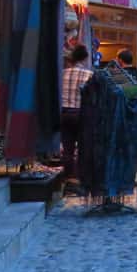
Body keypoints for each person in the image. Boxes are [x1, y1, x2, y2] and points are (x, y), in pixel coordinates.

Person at [60, 44, 94, 193]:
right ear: (85, 58)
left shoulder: (62, 74)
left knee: (67, 148)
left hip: (63, 113)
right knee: (83, 147)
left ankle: (68, 178)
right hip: (81, 113)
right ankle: (79, 180)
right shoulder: (89, 75)